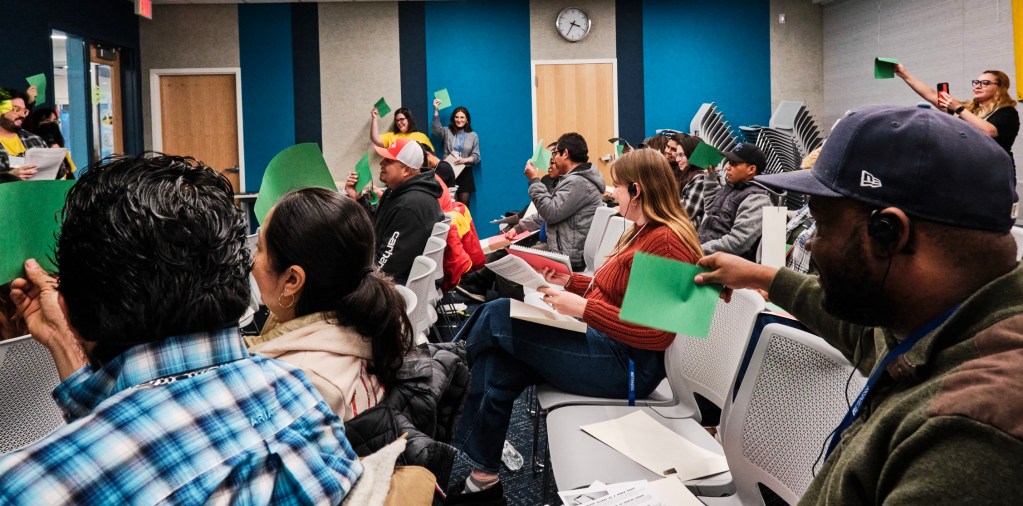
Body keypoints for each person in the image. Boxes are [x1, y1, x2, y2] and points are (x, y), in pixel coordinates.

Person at [695, 105, 1023, 504]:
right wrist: (760, 276)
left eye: (821, 223)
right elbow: (861, 333)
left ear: (889, 233)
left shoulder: (971, 438)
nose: (810, 241)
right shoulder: (937, 320)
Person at [0, 154, 362, 504]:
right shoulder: (296, 395)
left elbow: (135, 438)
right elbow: (154, 424)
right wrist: (64, 343)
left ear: (72, 307)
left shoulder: (24, 487)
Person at [446, 149, 704, 504]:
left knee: (499, 313)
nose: (611, 192)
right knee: (496, 365)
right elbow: (616, 293)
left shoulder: (667, 241)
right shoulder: (644, 231)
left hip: (628, 369)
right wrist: (570, 283)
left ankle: (437, 378)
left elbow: (658, 335)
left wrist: (583, 307)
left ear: (638, 190)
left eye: (616, 185)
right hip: (609, 345)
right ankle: (483, 480)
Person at [246, 187, 414, 421]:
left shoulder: (302, 384)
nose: (251, 260)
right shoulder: (363, 320)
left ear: (292, 280)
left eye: (260, 248)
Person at [345, 137, 443, 285]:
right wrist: (359, 199)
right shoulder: (396, 192)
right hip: (392, 278)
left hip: (393, 287)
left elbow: (384, 268)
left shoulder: (410, 206)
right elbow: (381, 221)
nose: (381, 163)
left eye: (388, 161)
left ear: (406, 170)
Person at [895, 64, 1019, 155]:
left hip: (995, 172)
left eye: (985, 83)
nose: (977, 86)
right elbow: (932, 95)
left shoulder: (1007, 112)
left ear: (1000, 88)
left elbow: (989, 131)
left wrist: (958, 108)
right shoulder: (969, 109)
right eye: (976, 82)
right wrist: (904, 74)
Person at [698, 143, 779, 257]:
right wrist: (711, 177)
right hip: (704, 250)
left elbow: (737, 243)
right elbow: (711, 209)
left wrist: (697, 250)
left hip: (721, 263)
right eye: (728, 162)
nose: (727, 167)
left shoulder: (758, 199)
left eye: (734, 163)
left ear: (751, 169)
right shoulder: (733, 186)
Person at [432, 101, 480, 206]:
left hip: (465, 171)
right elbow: (436, 130)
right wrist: (436, 110)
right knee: (452, 203)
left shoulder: (473, 135)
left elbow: (476, 157)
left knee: (464, 204)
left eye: (462, 117)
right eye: (457, 117)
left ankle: (464, 223)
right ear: (453, 119)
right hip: (449, 171)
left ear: (467, 120)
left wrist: (465, 160)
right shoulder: (447, 131)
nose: (459, 120)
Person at [0, 88, 45, 180]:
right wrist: (9, 176)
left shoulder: (34, 140)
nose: (22, 115)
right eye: (16, 109)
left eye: (25, 111)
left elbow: (59, 173)